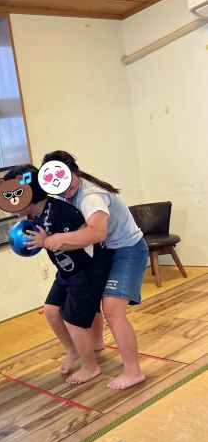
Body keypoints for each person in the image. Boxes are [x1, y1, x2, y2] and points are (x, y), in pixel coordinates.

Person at [28, 150, 149, 391]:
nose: (64, 190)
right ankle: (96, 344)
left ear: (75, 172)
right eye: (57, 186)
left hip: (128, 250)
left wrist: (55, 240)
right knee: (89, 299)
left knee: (113, 311)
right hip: (105, 252)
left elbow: (96, 233)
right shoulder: (64, 195)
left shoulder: (91, 196)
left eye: (67, 182)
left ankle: (133, 372)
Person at [2, 165, 112, 385]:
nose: (10, 205)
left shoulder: (60, 211)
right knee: (51, 311)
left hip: (87, 270)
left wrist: (48, 241)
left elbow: (88, 239)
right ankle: (74, 349)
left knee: (73, 320)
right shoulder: (35, 216)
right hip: (66, 271)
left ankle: (91, 367)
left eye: (14, 197)